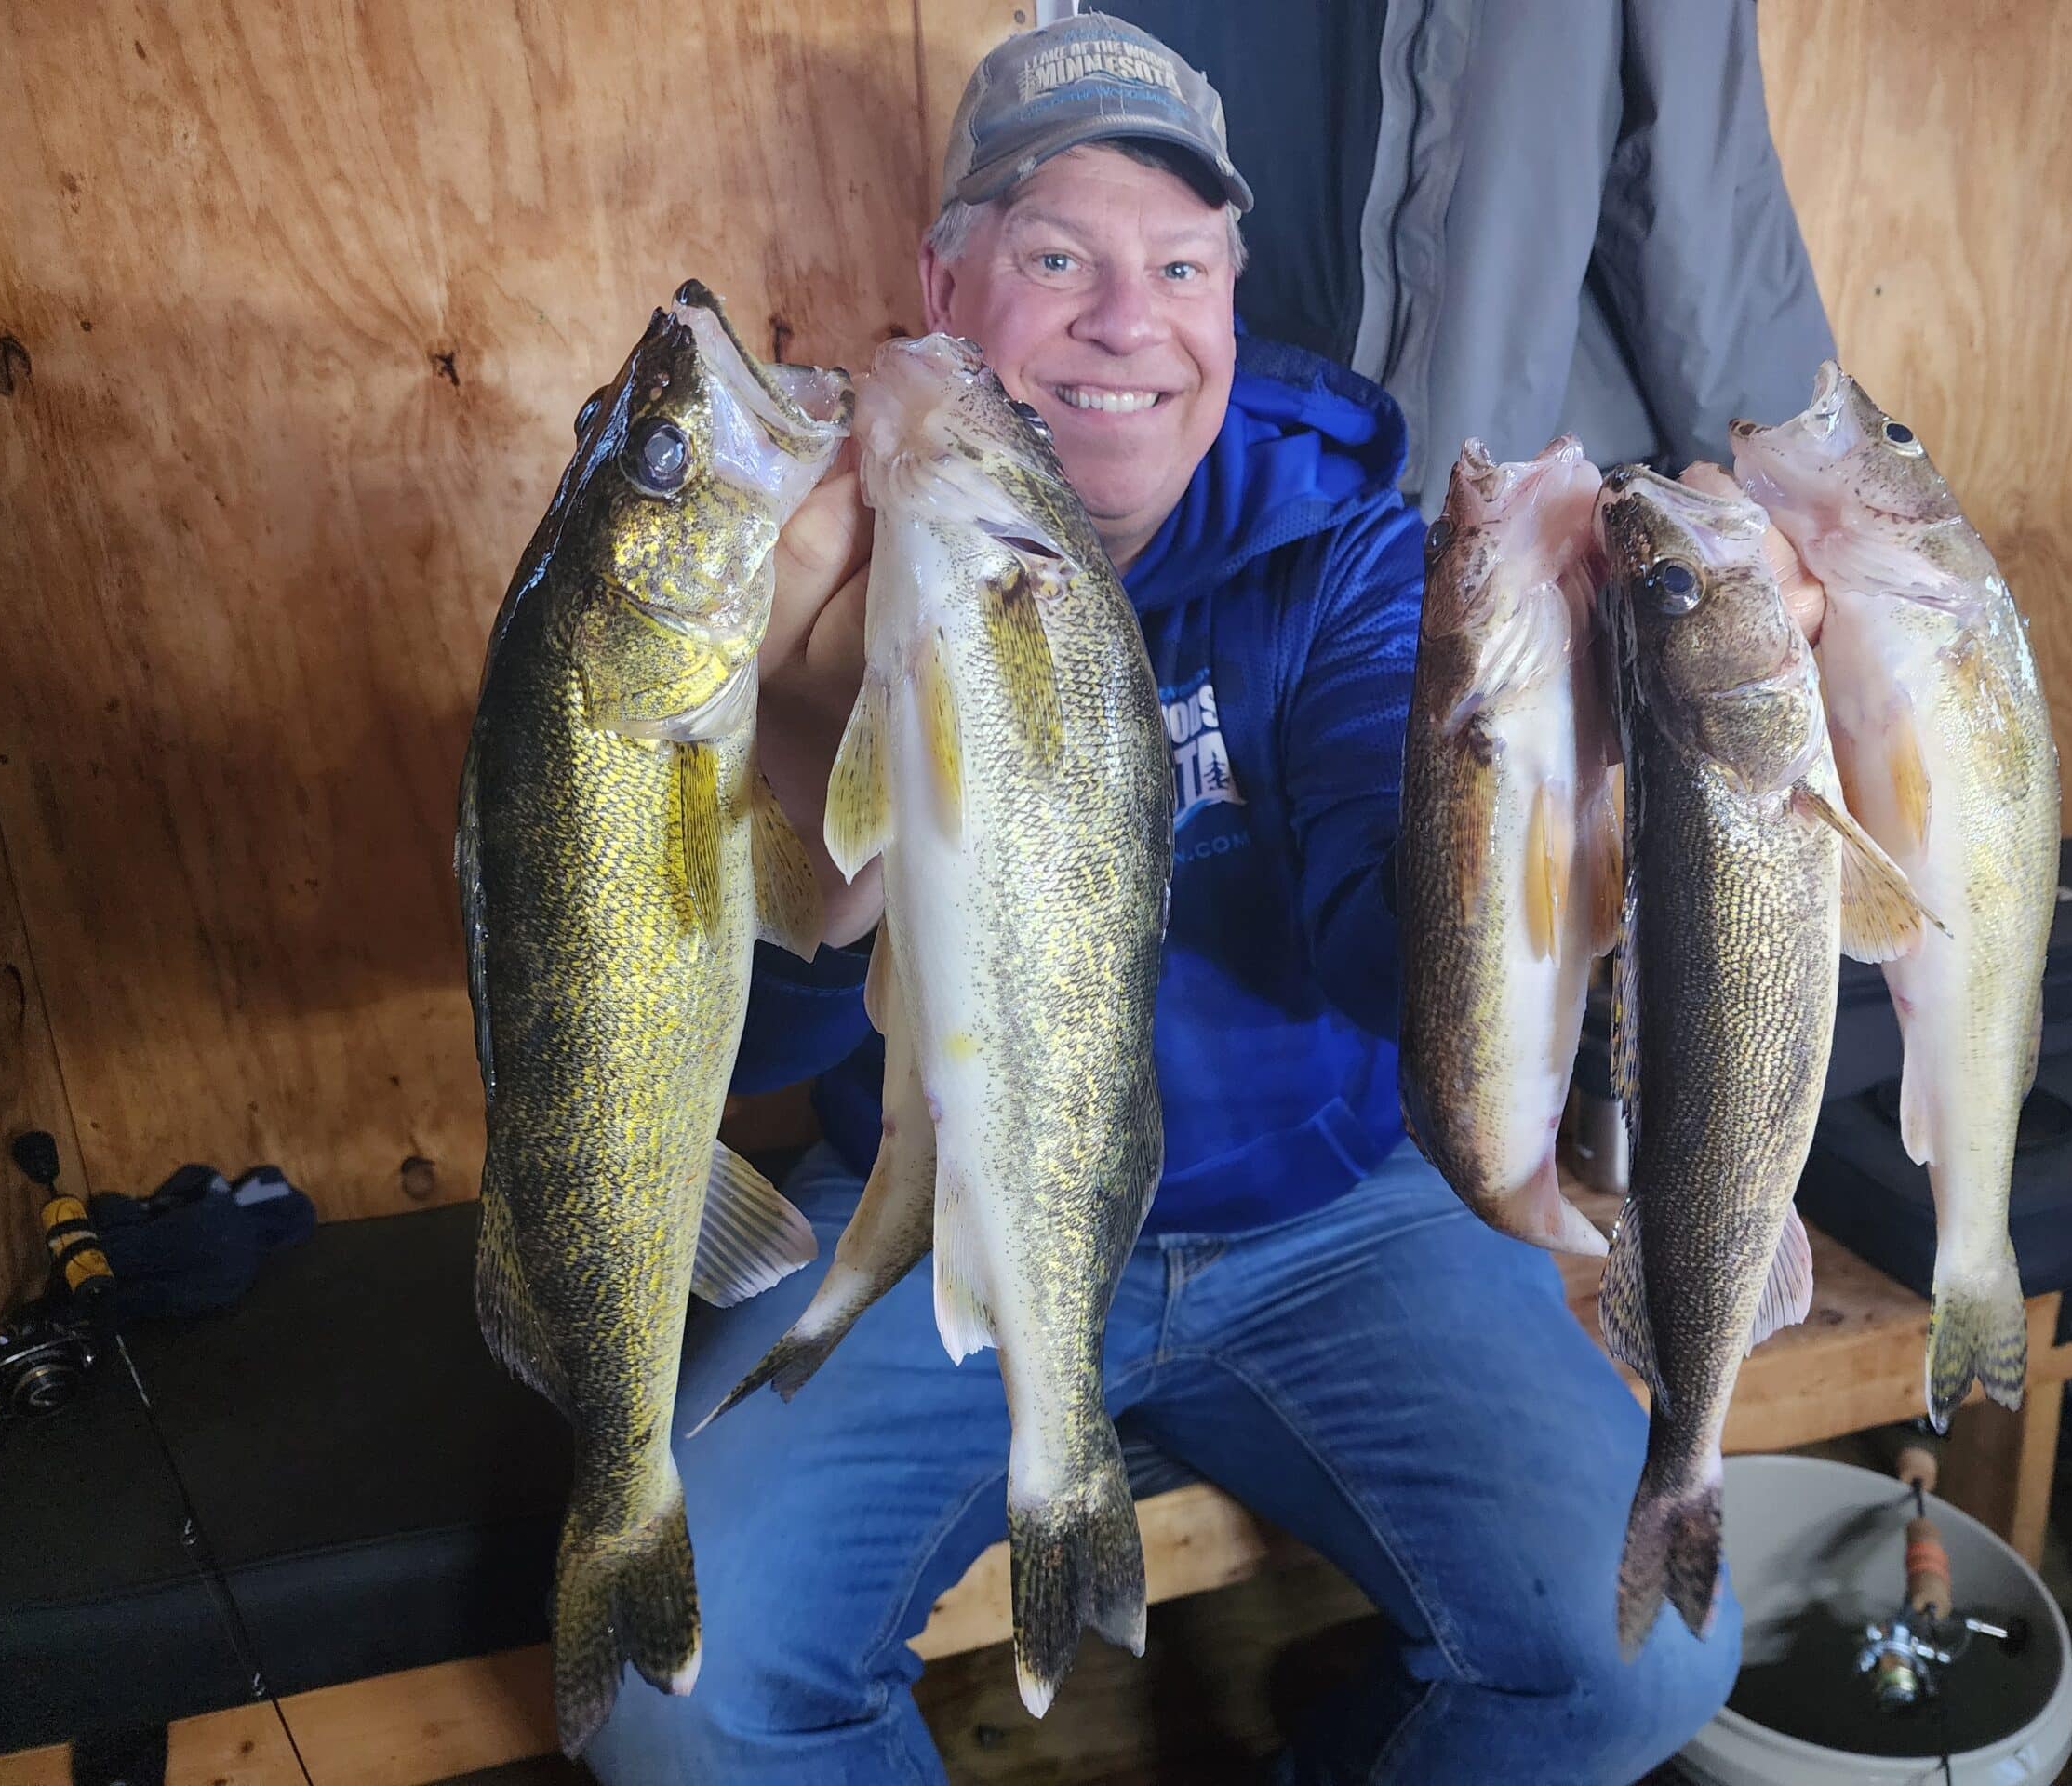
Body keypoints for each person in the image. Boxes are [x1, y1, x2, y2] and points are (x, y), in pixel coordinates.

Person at [589, 16, 1762, 1783]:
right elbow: (736, 1035)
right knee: (678, 1701)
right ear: (946, 280)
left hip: (1330, 1220)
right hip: (938, 1197)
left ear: (1230, 295)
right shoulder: (789, 555)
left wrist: (1562, 800)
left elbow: (1391, 964)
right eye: (1058, 256)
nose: (1126, 323)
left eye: (1181, 266)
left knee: (1639, 1656)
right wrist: (814, 745)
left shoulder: (1357, 555)